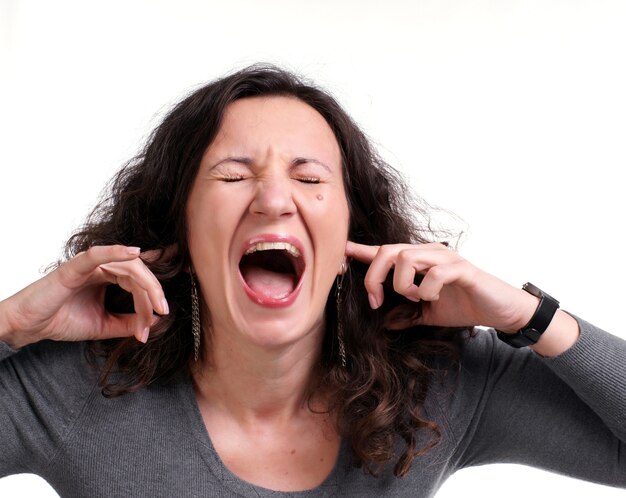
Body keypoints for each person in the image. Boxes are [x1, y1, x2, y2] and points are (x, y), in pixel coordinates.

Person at [0, 64, 624, 497]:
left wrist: (527, 317)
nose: (274, 199)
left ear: (352, 230)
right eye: (233, 174)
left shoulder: (437, 384)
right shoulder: (78, 390)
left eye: (310, 178)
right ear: (182, 229)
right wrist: (10, 325)